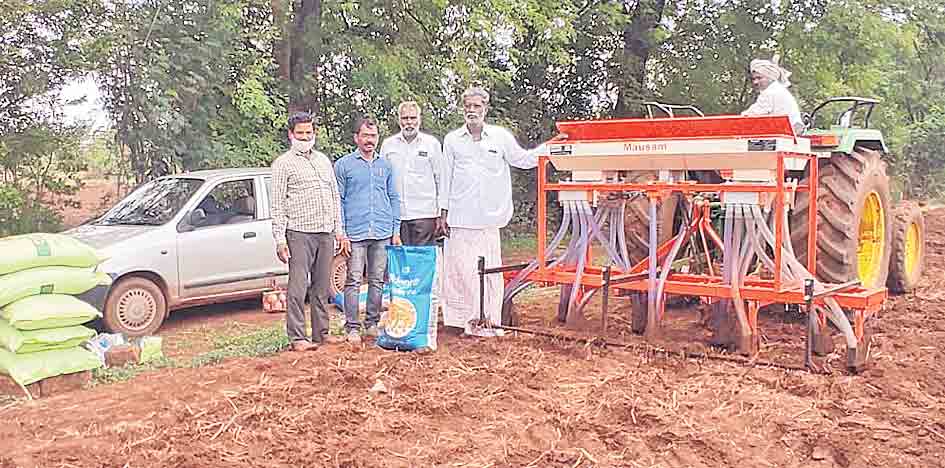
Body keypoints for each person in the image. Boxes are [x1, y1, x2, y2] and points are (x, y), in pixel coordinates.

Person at [440, 86, 547, 337]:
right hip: (460, 218)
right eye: (468, 106)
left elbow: (523, 159)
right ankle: (463, 322)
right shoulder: (452, 139)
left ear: (485, 108)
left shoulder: (500, 137)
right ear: (462, 109)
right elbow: (446, 178)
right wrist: (442, 213)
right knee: (461, 273)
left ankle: (489, 320)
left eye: (477, 106)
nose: (472, 110)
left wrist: (550, 149)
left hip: (489, 219)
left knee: (489, 273)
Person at [270, 112, 347, 352]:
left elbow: (334, 196)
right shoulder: (283, 164)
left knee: (321, 286)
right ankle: (297, 337)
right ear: (291, 135)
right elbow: (277, 204)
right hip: (299, 233)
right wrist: (280, 239)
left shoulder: (323, 161)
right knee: (298, 287)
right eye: (300, 133)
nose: (305, 137)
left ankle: (322, 334)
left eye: (309, 132)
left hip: (325, 232)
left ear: (315, 133)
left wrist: (338, 231)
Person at [334, 116, 402, 344]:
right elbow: (338, 200)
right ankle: (352, 326)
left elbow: (393, 197)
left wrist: (396, 229)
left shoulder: (386, 165)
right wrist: (341, 232)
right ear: (356, 138)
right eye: (365, 136)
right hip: (355, 232)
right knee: (353, 279)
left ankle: (371, 324)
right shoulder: (344, 165)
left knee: (377, 280)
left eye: (373, 136)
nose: (369, 140)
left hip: (382, 230)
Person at [379, 101, 447, 246]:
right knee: (399, 264)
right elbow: (382, 180)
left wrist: (441, 214)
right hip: (397, 216)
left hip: (425, 214)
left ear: (419, 119)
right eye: (405, 118)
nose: (409, 122)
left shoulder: (431, 144)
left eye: (412, 118)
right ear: (399, 120)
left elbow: (440, 180)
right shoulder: (388, 145)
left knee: (422, 263)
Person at [741, 57, 805, 134]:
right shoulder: (778, 89)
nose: (755, 82)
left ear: (770, 77)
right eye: (754, 79)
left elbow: (752, 116)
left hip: (784, 136)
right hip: (788, 135)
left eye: (759, 78)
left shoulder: (771, 92)